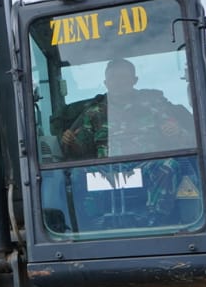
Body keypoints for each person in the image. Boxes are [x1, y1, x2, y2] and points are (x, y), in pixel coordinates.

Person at [60, 57, 195, 226]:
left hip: (146, 166)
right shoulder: (93, 112)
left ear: (134, 80)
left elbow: (184, 137)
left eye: (123, 77)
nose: (118, 82)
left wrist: (176, 132)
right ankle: (91, 224)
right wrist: (71, 142)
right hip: (105, 170)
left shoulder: (154, 105)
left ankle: (153, 223)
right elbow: (81, 152)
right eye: (113, 78)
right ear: (106, 82)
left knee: (169, 165)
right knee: (76, 174)